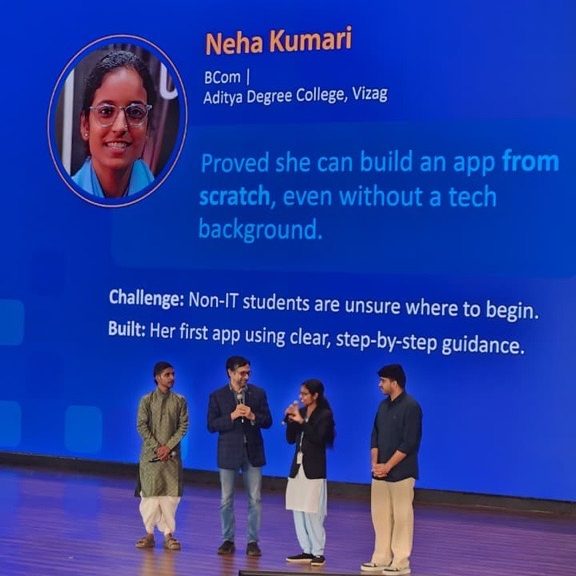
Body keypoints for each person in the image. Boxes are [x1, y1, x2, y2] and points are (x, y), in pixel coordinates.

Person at [207, 355, 273, 557]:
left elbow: (268, 421)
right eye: (242, 373)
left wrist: (253, 416)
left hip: (253, 452)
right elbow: (212, 425)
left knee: (255, 499)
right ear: (230, 372)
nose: (246, 377)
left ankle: (253, 542)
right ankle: (227, 540)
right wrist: (232, 416)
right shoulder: (217, 396)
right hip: (228, 453)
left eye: (248, 373)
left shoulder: (258, 393)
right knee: (226, 500)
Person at [360, 364, 423, 576]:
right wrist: (375, 465)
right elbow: (375, 436)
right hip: (380, 474)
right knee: (380, 516)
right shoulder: (382, 406)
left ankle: (401, 561)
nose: (380, 385)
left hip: (402, 473)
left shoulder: (411, 407)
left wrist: (388, 466)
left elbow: (409, 442)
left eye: (383, 381)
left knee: (402, 517)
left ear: (394, 383)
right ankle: (381, 557)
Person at [73, 50, 156, 198]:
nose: (120, 127)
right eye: (106, 111)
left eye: (135, 112)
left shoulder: (167, 203)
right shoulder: (60, 202)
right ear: (85, 125)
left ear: (148, 127)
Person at [135, 361, 189, 550]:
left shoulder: (180, 401)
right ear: (157, 377)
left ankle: (168, 535)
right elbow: (141, 426)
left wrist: (168, 447)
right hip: (150, 458)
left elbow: (183, 426)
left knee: (169, 497)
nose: (172, 378)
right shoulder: (146, 400)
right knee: (149, 497)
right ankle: (149, 534)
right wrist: (158, 448)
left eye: (173, 374)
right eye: (167, 374)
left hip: (171, 458)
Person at [284, 379, 335, 567]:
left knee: (313, 511)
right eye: (301, 394)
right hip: (298, 469)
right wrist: (290, 420)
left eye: (305, 394)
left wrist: (302, 422)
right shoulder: (302, 412)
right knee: (298, 509)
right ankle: (306, 549)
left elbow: (318, 438)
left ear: (315, 395)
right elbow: (290, 439)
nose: (301, 397)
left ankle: (318, 551)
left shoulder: (324, 414)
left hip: (314, 469)